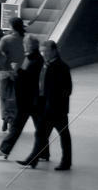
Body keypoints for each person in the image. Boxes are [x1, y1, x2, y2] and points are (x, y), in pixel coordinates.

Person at [21, 40, 72, 170]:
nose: (44, 54)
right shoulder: (46, 65)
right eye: (43, 51)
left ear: (54, 51)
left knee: (62, 134)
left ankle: (65, 162)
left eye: (47, 51)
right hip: (45, 106)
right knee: (42, 133)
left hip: (57, 108)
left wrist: (54, 102)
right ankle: (33, 159)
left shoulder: (61, 67)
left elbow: (67, 89)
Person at [0, 37, 44, 161]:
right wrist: (17, 73)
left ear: (31, 46)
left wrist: (16, 72)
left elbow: (28, 77)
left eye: (25, 44)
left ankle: (4, 150)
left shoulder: (35, 60)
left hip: (29, 99)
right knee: (38, 127)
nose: (24, 46)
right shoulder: (33, 58)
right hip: (29, 98)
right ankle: (43, 152)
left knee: (20, 126)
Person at [0, 16, 26, 134]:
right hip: (21, 72)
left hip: (6, 71)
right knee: (17, 97)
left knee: (3, 96)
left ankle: (6, 117)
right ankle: (13, 119)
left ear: (11, 26)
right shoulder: (26, 39)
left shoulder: (6, 39)